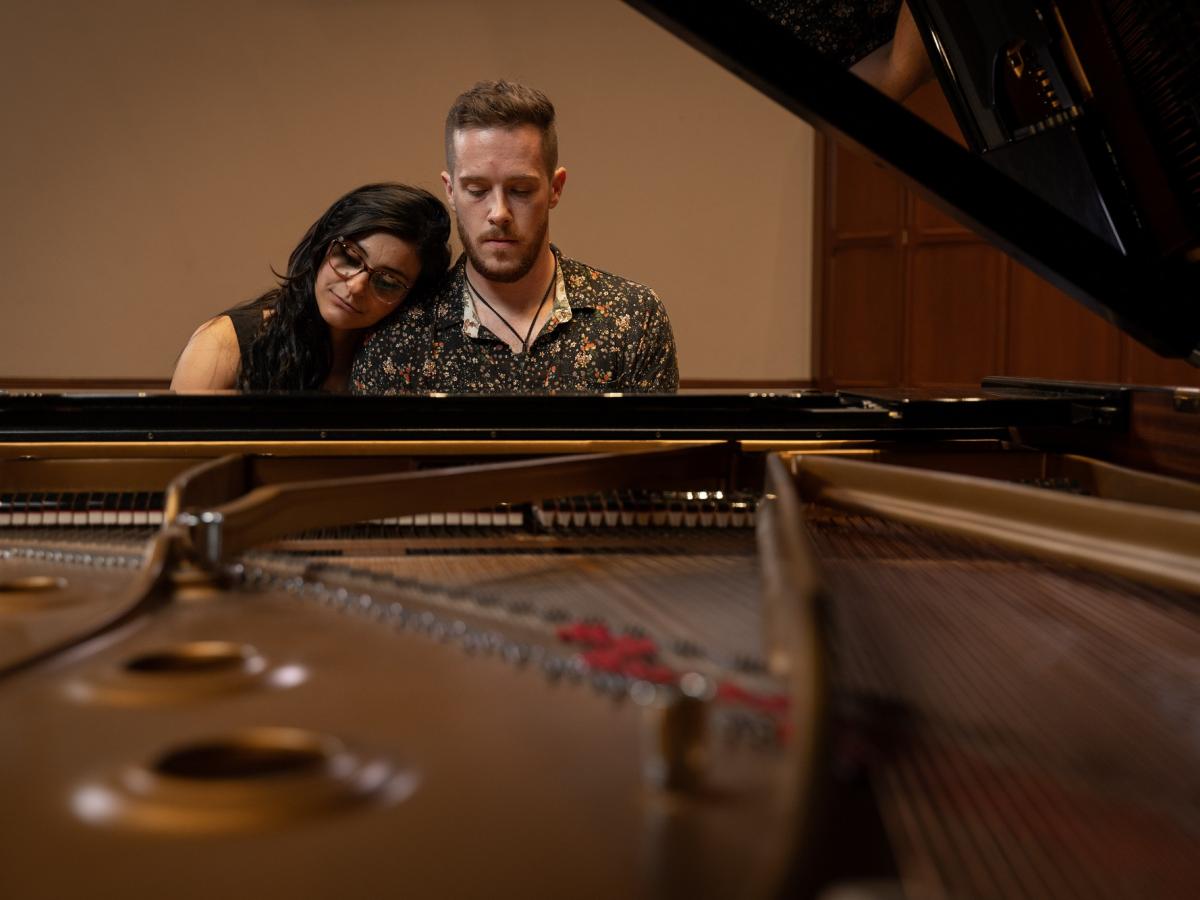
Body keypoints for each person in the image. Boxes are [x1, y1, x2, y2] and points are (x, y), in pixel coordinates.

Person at [352, 81, 679, 394]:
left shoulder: (633, 318)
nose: (499, 212)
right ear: (450, 191)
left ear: (555, 188)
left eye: (520, 190)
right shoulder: (400, 334)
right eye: (477, 190)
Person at [171, 183, 451, 391]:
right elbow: (179, 462)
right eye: (350, 258)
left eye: (387, 282)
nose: (355, 287)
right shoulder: (225, 343)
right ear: (322, 246)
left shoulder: (399, 365)